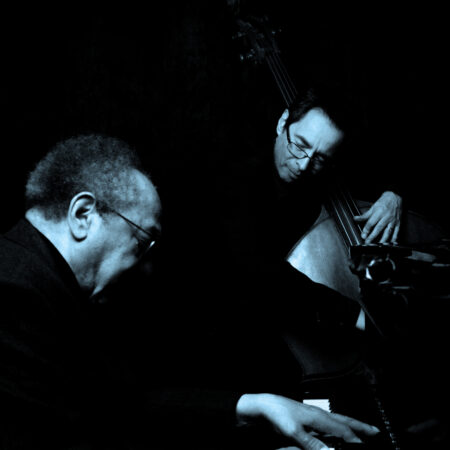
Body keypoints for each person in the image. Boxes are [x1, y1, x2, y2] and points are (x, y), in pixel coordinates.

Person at [0, 133, 381, 449]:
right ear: (84, 215)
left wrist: (253, 405)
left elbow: (118, 403)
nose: (141, 264)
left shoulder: (44, 284)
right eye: (142, 241)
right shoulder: (13, 293)